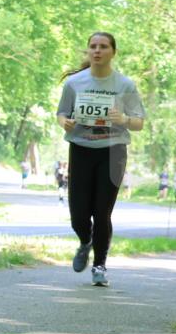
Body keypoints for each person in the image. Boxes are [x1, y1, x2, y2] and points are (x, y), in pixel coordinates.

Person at [56, 32, 145, 286]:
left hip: (113, 150)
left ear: (112, 52)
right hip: (81, 149)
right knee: (78, 216)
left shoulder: (125, 85)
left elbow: (139, 122)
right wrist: (66, 123)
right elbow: (62, 113)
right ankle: (85, 242)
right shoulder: (74, 83)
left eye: (103, 47)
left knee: (102, 211)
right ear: (88, 51)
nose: (97, 51)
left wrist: (124, 120)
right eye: (93, 47)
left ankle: (100, 266)